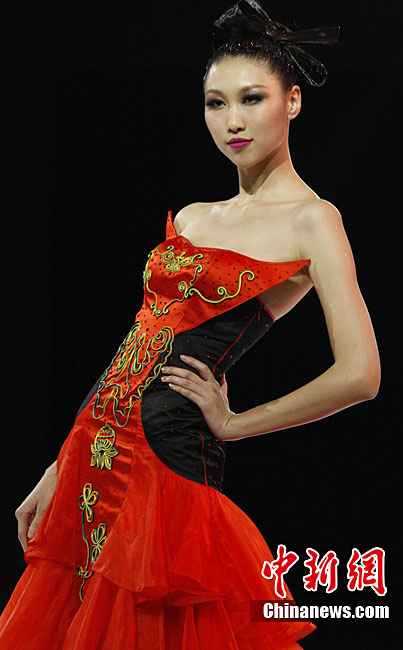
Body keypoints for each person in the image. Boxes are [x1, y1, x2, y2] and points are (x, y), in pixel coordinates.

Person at [0, 1, 380, 648]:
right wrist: (60, 463)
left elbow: (360, 374)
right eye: (215, 103)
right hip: (95, 455)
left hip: (166, 470)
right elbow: (138, 341)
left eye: (252, 98)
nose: (232, 121)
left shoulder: (312, 220)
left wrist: (235, 423)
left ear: (292, 101)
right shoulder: (197, 216)